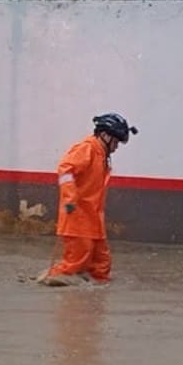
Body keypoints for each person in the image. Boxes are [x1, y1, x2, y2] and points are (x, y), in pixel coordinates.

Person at [41, 113, 138, 286]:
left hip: (92, 218)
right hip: (77, 217)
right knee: (75, 263)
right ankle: (58, 285)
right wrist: (70, 198)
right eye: (115, 142)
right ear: (105, 136)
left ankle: (92, 300)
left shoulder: (100, 154)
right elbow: (65, 170)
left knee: (101, 265)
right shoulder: (87, 149)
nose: (116, 147)